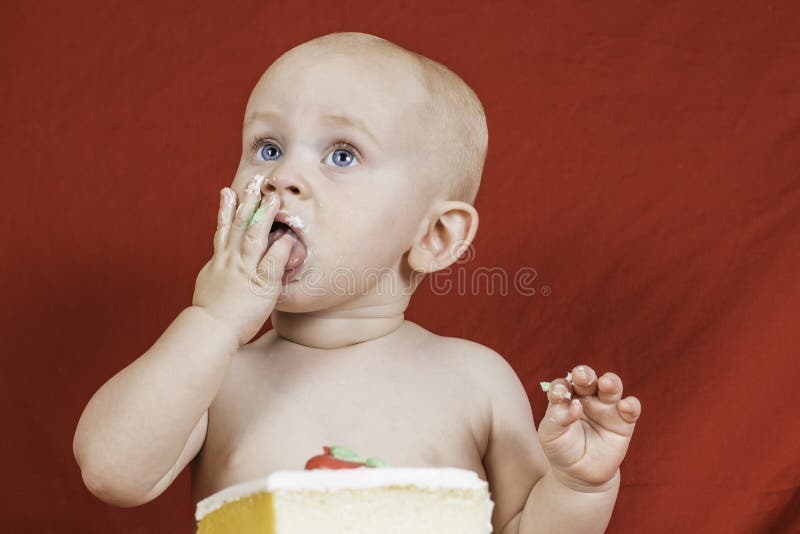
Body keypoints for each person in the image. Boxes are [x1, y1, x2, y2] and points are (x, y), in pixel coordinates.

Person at [73, 31, 642, 533]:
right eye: (267, 148)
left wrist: (578, 488)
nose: (282, 177)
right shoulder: (215, 378)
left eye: (342, 155)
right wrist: (214, 321)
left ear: (435, 236)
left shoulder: (475, 379)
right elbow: (111, 472)